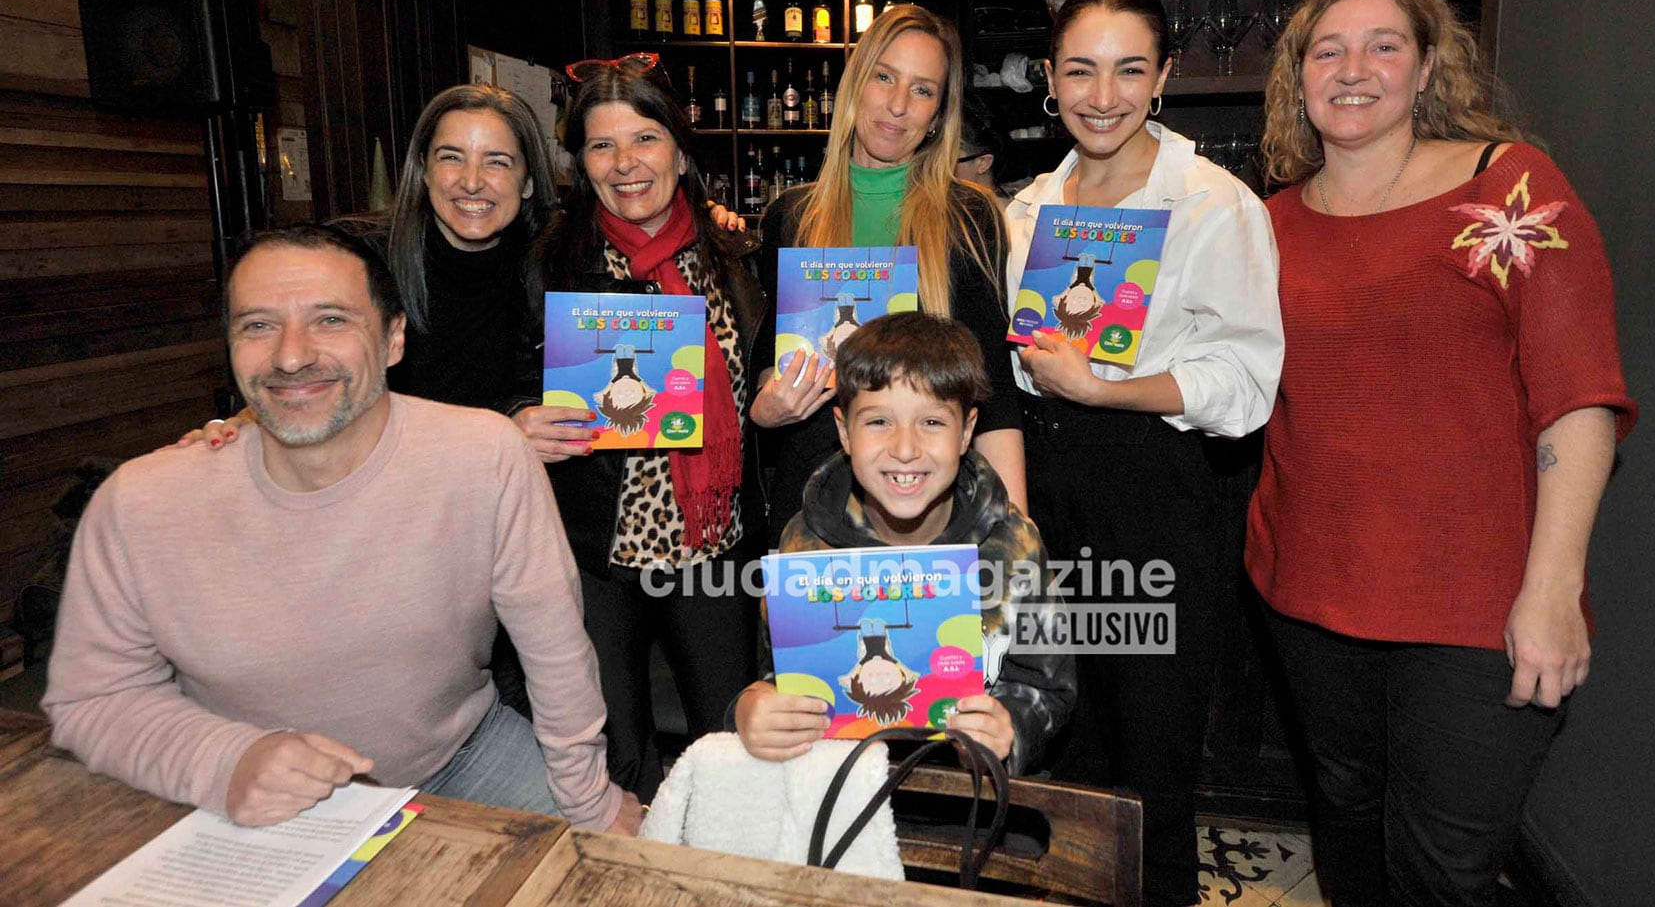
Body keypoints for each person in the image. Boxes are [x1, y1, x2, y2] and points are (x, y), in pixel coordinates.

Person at [1247, 0, 1637, 906]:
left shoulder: (1508, 189)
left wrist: (1553, 587)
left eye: (1384, 45)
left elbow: (1579, 397)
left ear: (1427, 68)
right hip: (1306, 589)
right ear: (1298, 77)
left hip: (1474, 605)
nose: (1353, 67)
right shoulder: (1267, 224)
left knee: (1443, 868)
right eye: (1327, 49)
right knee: (1342, 816)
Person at [44, 224, 639, 834]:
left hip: (466, 758)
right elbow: (92, 700)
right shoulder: (142, 502)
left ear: (393, 339)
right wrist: (225, 762)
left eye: (330, 320)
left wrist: (589, 800)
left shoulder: (486, 456)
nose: (291, 355)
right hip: (253, 794)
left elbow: (556, 651)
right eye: (258, 325)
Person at [1008, 0, 1283, 907]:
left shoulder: (1215, 204)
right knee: (1060, 753)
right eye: (1080, 69)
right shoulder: (1026, 211)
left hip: (1157, 507)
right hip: (1046, 503)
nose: (1103, 93)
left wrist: (1108, 386)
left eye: (1130, 69)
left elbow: (1246, 385)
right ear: (1050, 77)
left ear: (1163, 76)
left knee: (1153, 774)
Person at [179, 83, 560, 716]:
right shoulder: (359, 256)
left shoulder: (553, 264)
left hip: (485, 524)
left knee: (499, 701)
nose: (472, 180)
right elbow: (291, 350)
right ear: (423, 171)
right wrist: (243, 421)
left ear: (526, 181)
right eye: (450, 157)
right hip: (370, 521)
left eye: (497, 160)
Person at [509, 54, 763, 804]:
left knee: (728, 742)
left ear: (680, 150)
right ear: (579, 161)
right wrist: (519, 420)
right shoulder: (550, 259)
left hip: (712, 541)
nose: (625, 163)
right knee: (612, 753)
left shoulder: (735, 255)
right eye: (601, 145)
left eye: (645, 138)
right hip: (595, 551)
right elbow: (506, 384)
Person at [734, 312, 1075, 773]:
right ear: (843, 431)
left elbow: (1049, 687)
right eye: (878, 422)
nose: (906, 449)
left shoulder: (1014, 544)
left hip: (971, 807)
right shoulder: (805, 541)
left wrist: (1011, 725)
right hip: (838, 799)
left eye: (932, 422)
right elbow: (779, 678)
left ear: (967, 432)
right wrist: (751, 705)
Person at [750, 5, 1026, 544]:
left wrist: (1014, 531)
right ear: (856, 83)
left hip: (931, 500)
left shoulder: (970, 217)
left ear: (939, 115)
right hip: (813, 498)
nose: (898, 106)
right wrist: (767, 407)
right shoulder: (792, 215)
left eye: (922, 91)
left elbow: (994, 389)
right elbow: (769, 363)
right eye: (884, 78)